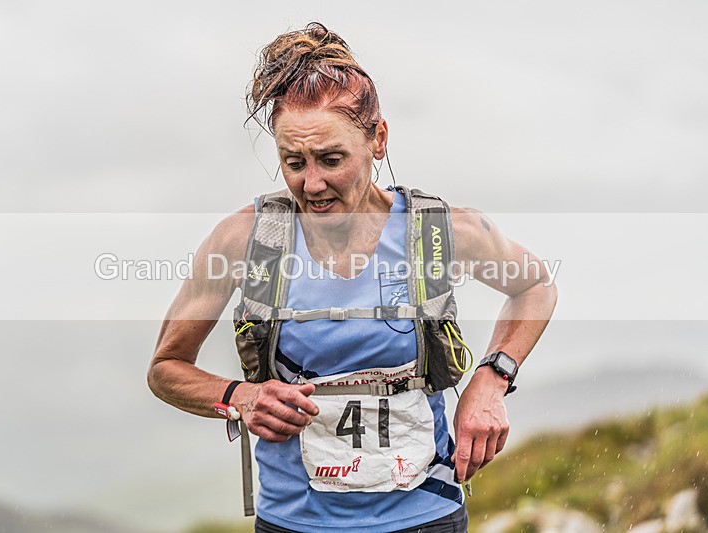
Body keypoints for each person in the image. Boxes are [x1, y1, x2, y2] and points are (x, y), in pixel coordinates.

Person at [148, 22, 557, 533]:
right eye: (292, 162)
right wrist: (240, 397)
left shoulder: (437, 231)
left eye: (331, 159)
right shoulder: (246, 240)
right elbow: (166, 369)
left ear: (378, 139)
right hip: (293, 523)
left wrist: (491, 379)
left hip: (425, 515)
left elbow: (535, 286)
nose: (311, 183)